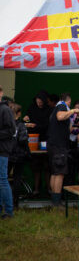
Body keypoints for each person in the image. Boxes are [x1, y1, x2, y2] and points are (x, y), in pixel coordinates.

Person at [47, 93, 79, 206]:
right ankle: (56, 202)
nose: (70, 106)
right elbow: (60, 116)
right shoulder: (61, 106)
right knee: (60, 173)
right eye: (70, 103)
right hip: (58, 146)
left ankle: (54, 199)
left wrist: (73, 120)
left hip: (54, 145)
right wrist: (72, 111)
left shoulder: (56, 108)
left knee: (54, 173)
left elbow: (67, 129)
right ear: (67, 101)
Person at [23, 90, 51, 196]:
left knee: (47, 165)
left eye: (40, 101)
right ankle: (36, 188)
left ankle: (49, 188)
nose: (39, 103)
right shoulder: (32, 108)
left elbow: (48, 124)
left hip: (45, 139)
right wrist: (26, 120)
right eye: (37, 101)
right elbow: (27, 120)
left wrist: (36, 126)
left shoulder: (48, 110)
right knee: (35, 165)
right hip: (33, 139)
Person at [8, 104, 30, 209]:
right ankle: (15, 203)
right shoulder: (21, 125)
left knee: (3, 178)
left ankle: (5, 201)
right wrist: (27, 151)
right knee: (17, 179)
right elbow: (23, 140)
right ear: (19, 113)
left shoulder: (6, 125)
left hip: (7, 154)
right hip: (19, 155)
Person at [0, 86, 15, 218]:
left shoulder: (5, 110)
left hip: (2, 150)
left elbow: (11, 130)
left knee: (2, 180)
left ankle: (9, 211)